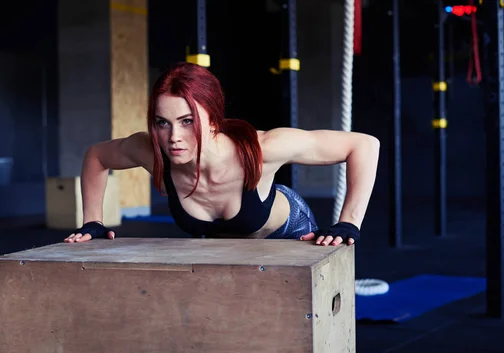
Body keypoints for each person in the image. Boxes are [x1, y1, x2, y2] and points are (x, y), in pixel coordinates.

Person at [64, 62, 379, 246]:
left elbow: (363, 145)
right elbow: (96, 156)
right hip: (228, 245)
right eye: (162, 123)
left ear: (214, 121)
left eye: (188, 122)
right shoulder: (149, 149)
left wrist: (348, 223)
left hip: (287, 234)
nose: (174, 138)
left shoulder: (263, 148)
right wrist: (91, 221)